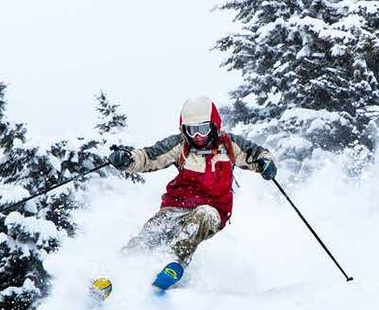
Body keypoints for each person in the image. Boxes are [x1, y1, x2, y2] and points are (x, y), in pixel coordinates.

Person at [107, 96, 277, 290]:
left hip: (213, 210)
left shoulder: (228, 145)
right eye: (191, 130)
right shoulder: (180, 145)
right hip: (176, 206)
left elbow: (256, 154)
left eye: (203, 129)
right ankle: (116, 271)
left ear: (213, 126)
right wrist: (128, 159)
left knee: (202, 215)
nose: (197, 136)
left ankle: (172, 262)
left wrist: (266, 163)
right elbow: (149, 156)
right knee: (154, 232)